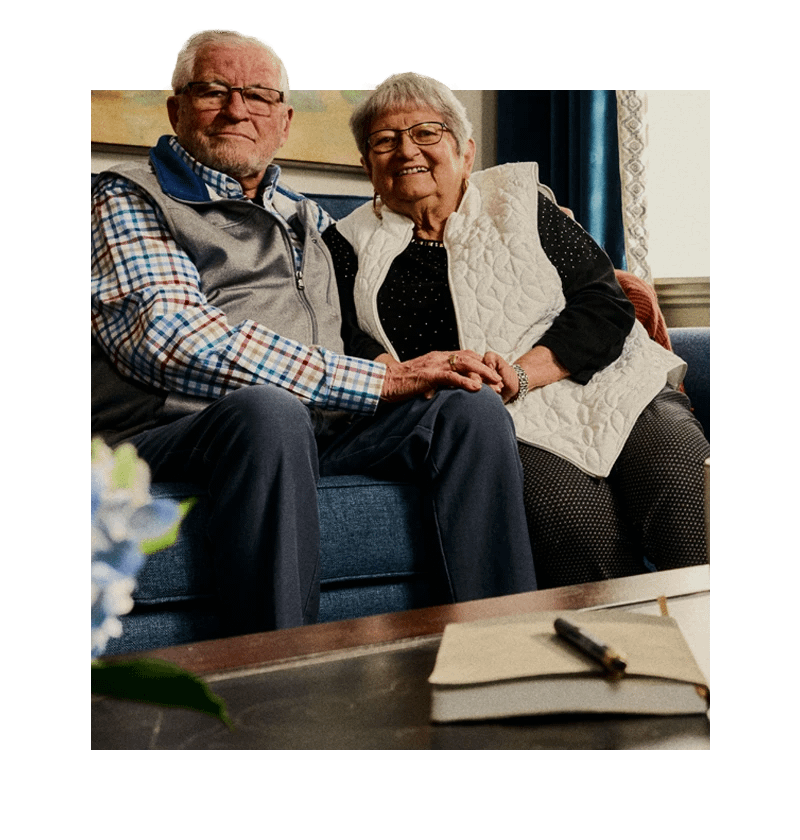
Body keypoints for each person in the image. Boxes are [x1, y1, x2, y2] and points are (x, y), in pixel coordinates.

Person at [91, 32, 537, 637]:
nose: (237, 109)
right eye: (213, 91)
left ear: (284, 122)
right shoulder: (127, 196)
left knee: (468, 407)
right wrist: (381, 377)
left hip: (316, 428)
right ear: (176, 108)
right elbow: (170, 339)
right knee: (269, 414)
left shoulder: (307, 216)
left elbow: (405, 276)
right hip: (173, 430)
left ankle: (505, 651)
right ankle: (278, 675)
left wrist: (551, 259)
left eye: (257, 96)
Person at [324, 73, 710, 588]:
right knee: (572, 524)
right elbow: (347, 340)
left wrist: (524, 373)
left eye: (425, 133)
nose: (405, 150)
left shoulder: (522, 204)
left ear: (465, 150)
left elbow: (605, 303)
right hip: (498, 417)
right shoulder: (343, 246)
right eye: (384, 140)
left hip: (609, 386)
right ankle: (617, 662)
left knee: (683, 484)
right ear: (366, 163)